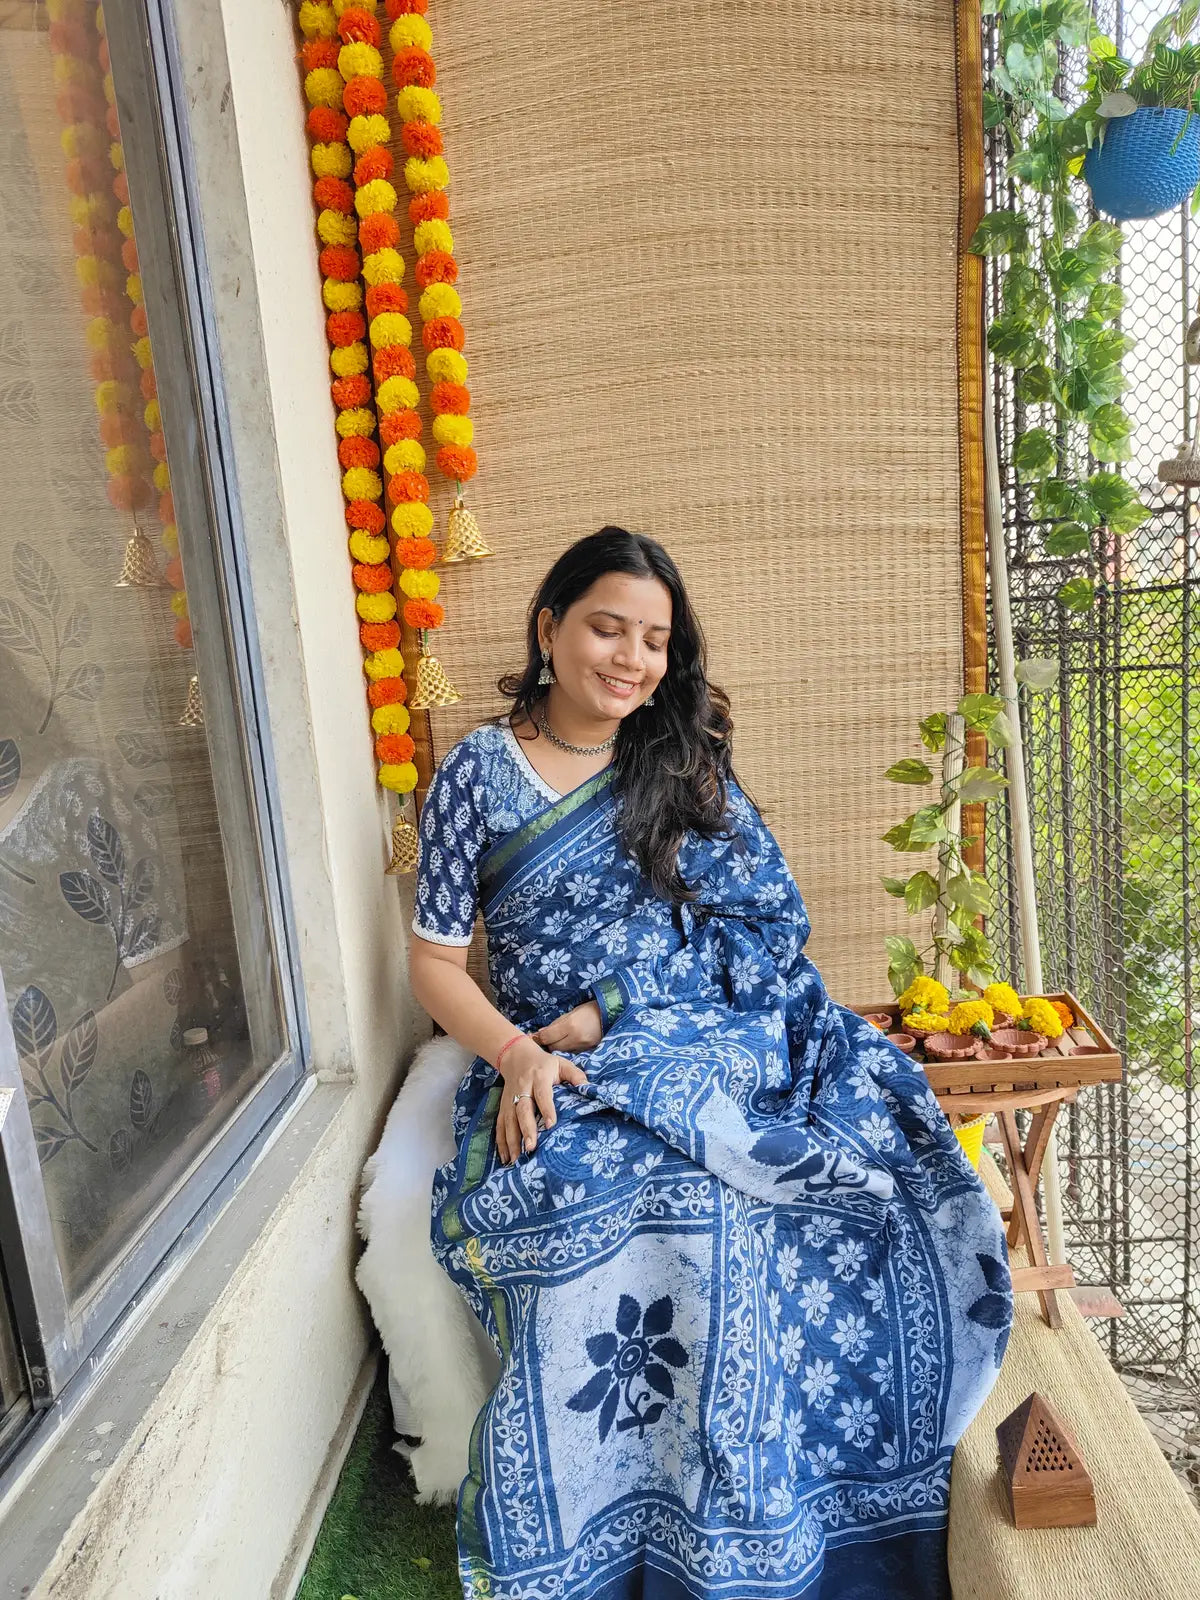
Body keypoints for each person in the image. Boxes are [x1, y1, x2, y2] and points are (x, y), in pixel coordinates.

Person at [408, 527, 1011, 1600]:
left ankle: (775, 1515)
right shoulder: (476, 776)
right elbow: (433, 962)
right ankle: (626, 1528)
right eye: (608, 627)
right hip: (549, 1051)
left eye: (654, 639)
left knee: (775, 1183)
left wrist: (617, 1009)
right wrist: (516, 1054)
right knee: (619, 1190)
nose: (631, 659)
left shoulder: (682, 760)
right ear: (550, 627)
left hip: (708, 1020)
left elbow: (767, 924)